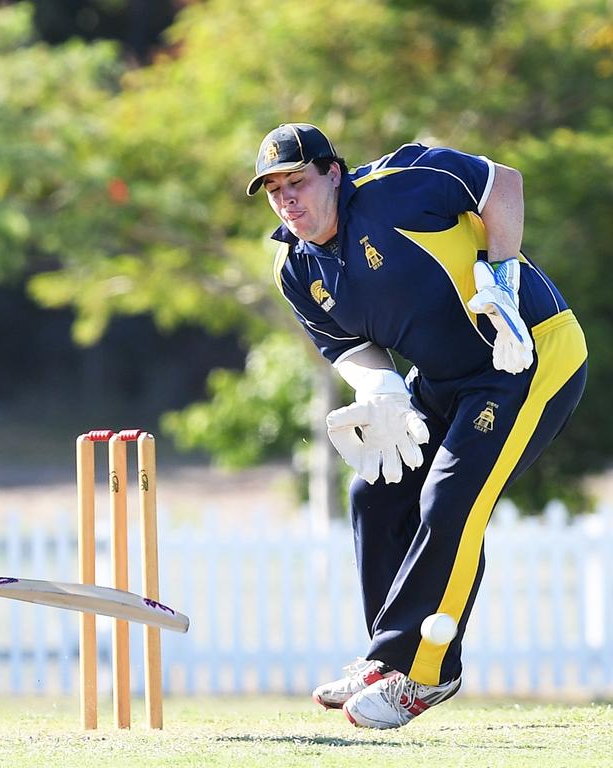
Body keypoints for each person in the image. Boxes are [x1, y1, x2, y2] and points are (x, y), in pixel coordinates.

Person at [246, 123, 586, 728]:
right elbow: (348, 346)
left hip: (530, 354)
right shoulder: (294, 267)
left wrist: (501, 275)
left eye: (297, 182)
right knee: (373, 494)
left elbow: (502, 183)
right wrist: (379, 392)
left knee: (450, 498)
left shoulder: (399, 186)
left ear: (334, 172)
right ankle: (390, 658)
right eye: (274, 191)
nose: (287, 200)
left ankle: (428, 674)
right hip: (441, 378)